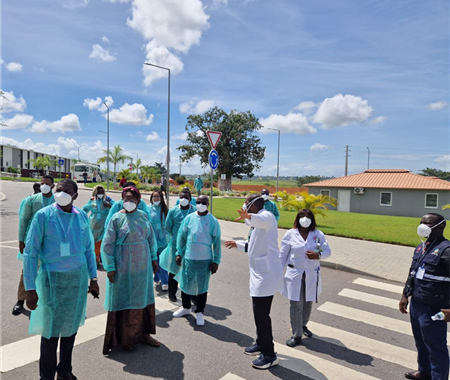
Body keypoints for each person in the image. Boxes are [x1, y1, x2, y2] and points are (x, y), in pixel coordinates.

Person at [23, 179, 99, 380]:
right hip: (52, 282)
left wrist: (93, 278)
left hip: (77, 282)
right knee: (50, 333)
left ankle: (64, 372)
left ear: (75, 196)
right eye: (59, 189)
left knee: (70, 330)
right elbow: (30, 253)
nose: (62, 192)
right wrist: (30, 289)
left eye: (67, 190)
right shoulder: (43, 216)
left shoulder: (81, 217)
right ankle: (46, 377)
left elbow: (89, 250)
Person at [225, 194, 283, 370]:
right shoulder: (258, 225)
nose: (244, 206)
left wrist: (248, 216)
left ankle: (269, 354)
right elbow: (253, 245)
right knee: (260, 314)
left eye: (246, 204)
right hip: (260, 274)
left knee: (261, 315)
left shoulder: (267, 216)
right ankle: (260, 343)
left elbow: (261, 219)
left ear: (253, 205)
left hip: (266, 276)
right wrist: (238, 244)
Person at [101, 186, 160, 354]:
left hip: (142, 268)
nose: (128, 202)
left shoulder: (142, 216)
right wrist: (110, 268)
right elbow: (107, 245)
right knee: (125, 301)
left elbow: (150, 238)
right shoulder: (116, 219)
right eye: (125, 199)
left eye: (132, 200)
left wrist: (154, 258)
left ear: (138, 201)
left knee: (142, 301)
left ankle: (144, 335)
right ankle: (126, 338)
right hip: (123, 268)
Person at [399, 213, 449, 380]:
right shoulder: (421, 247)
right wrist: (405, 295)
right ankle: (425, 372)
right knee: (420, 342)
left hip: (435, 307)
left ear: (440, 227)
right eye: (421, 222)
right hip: (417, 303)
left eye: (427, 224)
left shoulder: (446, 250)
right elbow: (412, 272)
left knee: (436, 346)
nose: (422, 226)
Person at [279, 209, 331, 348]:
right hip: (295, 273)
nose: (305, 219)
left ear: (312, 219)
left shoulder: (318, 234)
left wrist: (318, 256)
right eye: (302, 216)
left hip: (311, 274)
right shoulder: (290, 234)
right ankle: (296, 334)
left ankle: (303, 325)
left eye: (308, 217)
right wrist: (278, 272)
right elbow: (283, 255)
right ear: (298, 218)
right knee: (296, 304)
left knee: (308, 302)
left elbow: (327, 251)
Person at [173, 195, 221, 326]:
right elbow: (181, 236)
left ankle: (199, 312)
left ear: (208, 204)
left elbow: (216, 243)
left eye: (203, 202)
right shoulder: (189, 218)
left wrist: (216, 261)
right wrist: (179, 253)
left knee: (202, 286)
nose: (200, 204)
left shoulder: (213, 221)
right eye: (198, 202)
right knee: (185, 283)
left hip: (204, 260)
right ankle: (186, 307)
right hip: (189, 257)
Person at [14, 175, 55, 316]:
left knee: (48, 270)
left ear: (53, 186)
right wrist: (21, 240)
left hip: (50, 242)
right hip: (32, 240)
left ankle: (43, 301)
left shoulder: (57, 201)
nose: (44, 186)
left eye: (47, 184)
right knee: (27, 270)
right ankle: (20, 300)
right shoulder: (31, 201)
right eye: (42, 183)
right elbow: (23, 220)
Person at [159, 189, 196, 302]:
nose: (183, 200)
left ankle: (191, 295)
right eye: (181, 197)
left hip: (191, 245)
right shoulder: (173, 211)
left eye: (186, 198)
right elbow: (167, 227)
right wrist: (177, 236)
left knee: (190, 271)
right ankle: (172, 293)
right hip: (175, 244)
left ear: (190, 199)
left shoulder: (194, 211)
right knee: (174, 269)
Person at [82, 185, 114, 266]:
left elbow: (116, 207)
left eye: (101, 192)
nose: (100, 193)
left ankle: (100, 259)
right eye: (98, 192)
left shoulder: (108, 200)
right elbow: (85, 209)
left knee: (102, 242)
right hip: (93, 224)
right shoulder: (92, 200)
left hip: (104, 224)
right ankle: (94, 259)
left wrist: (109, 206)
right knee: (93, 241)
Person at [148, 190, 169, 291]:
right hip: (151, 239)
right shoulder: (148, 209)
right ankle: (156, 277)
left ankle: (165, 281)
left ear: (161, 198)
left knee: (162, 261)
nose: (156, 199)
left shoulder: (164, 209)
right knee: (154, 260)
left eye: (158, 197)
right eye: (154, 197)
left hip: (163, 240)